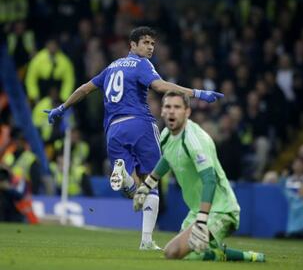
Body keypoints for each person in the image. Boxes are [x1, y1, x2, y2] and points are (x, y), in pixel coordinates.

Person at [44, 26, 223, 250]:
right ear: (133, 45)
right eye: (145, 43)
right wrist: (197, 93)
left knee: (134, 190)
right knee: (152, 183)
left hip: (113, 131)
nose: (150, 47)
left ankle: (126, 179)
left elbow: (85, 89)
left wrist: (61, 108)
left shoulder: (111, 67)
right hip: (140, 125)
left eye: (152, 44)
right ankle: (146, 241)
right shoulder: (142, 64)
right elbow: (159, 86)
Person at [134, 91, 265, 262]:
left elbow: (209, 180)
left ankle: (226, 254)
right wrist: (146, 186)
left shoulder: (194, 140)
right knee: (174, 252)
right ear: (162, 111)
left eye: (177, 107)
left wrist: (202, 221)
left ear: (187, 112)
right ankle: (240, 255)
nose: (172, 111)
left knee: (176, 253)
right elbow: (167, 159)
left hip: (221, 211)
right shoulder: (166, 135)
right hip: (196, 211)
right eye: (168, 106)